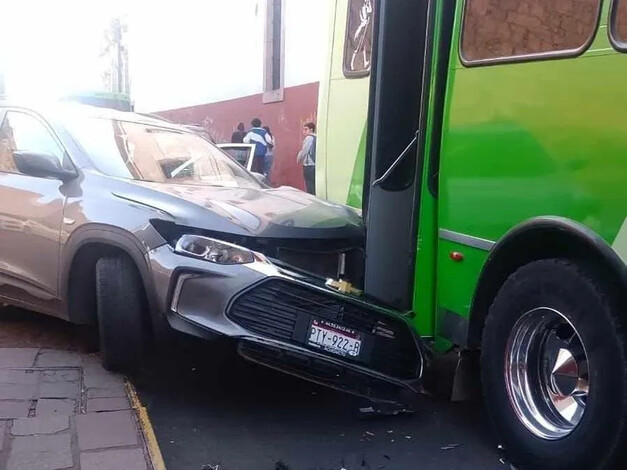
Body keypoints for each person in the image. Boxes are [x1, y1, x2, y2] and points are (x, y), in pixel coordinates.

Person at [297, 122, 317, 195]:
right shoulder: (316, 138)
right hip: (314, 164)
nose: (304, 131)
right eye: (303, 129)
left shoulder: (309, 138)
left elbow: (305, 150)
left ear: (311, 130)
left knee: (309, 185)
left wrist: (299, 158)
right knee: (314, 185)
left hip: (309, 164)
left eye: (306, 129)